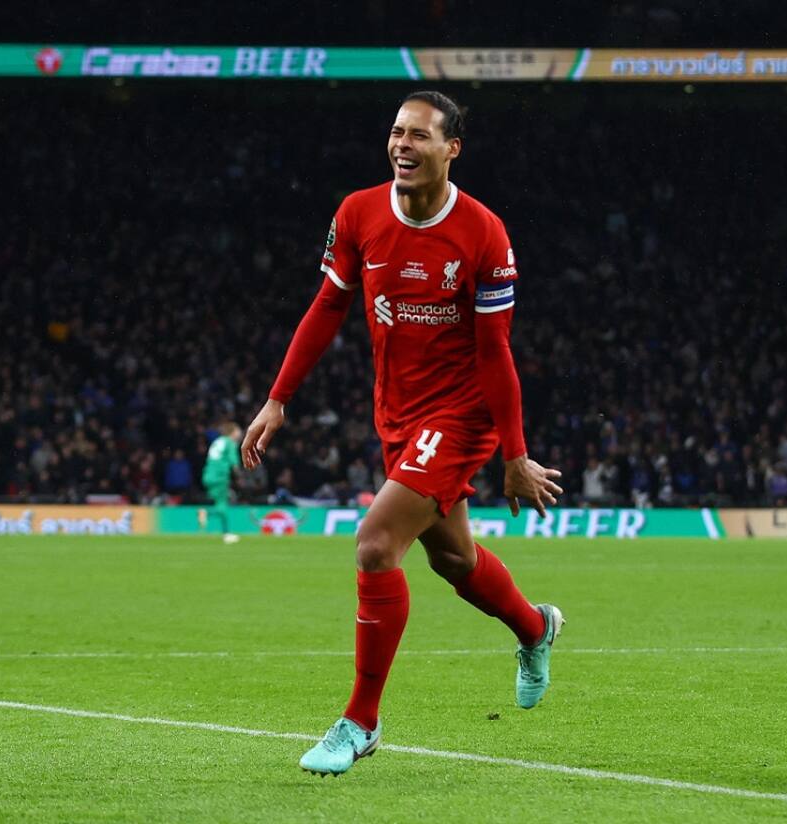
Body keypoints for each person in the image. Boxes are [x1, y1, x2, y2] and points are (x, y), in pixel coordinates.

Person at [242, 91, 565, 776]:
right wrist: (277, 400)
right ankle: (536, 628)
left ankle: (360, 721)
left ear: (452, 149)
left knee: (375, 543)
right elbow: (328, 304)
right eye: (395, 133)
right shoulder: (358, 213)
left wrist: (515, 452)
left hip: (462, 413)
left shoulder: (483, 232)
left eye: (419, 136)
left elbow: (494, 352)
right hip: (397, 411)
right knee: (452, 561)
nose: (402, 146)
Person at [203, 422, 243, 544]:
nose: (240, 433)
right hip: (220, 477)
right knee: (222, 505)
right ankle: (226, 533)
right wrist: (240, 477)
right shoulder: (230, 443)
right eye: (238, 431)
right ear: (232, 432)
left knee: (221, 504)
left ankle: (225, 532)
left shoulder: (217, 441)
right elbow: (234, 463)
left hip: (208, 475)